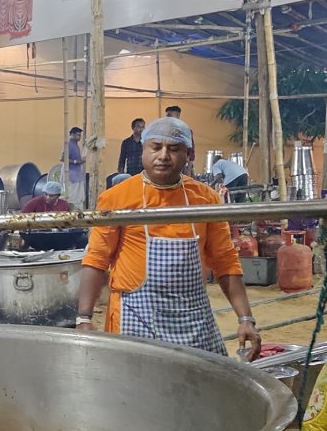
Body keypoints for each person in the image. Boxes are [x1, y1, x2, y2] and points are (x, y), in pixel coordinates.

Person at [76, 117, 260, 359]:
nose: (163, 155)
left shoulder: (206, 200)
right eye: (155, 147)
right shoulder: (117, 198)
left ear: (190, 155)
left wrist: (245, 318)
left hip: (193, 320)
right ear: (143, 150)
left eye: (173, 149)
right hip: (135, 317)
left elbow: (225, 261)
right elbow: (97, 259)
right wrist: (83, 317)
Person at [165, 106, 196, 175]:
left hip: (182, 167)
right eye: (166, 115)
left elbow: (191, 152)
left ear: (177, 116)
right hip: (167, 166)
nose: (166, 118)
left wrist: (189, 170)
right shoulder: (164, 131)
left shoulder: (186, 131)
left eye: (169, 115)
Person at [65, 126, 86, 208]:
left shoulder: (75, 144)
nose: (79, 137)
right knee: (72, 198)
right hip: (71, 175)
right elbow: (63, 158)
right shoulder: (68, 144)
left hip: (77, 174)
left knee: (78, 197)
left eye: (80, 135)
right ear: (72, 134)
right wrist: (76, 162)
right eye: (78, 135)